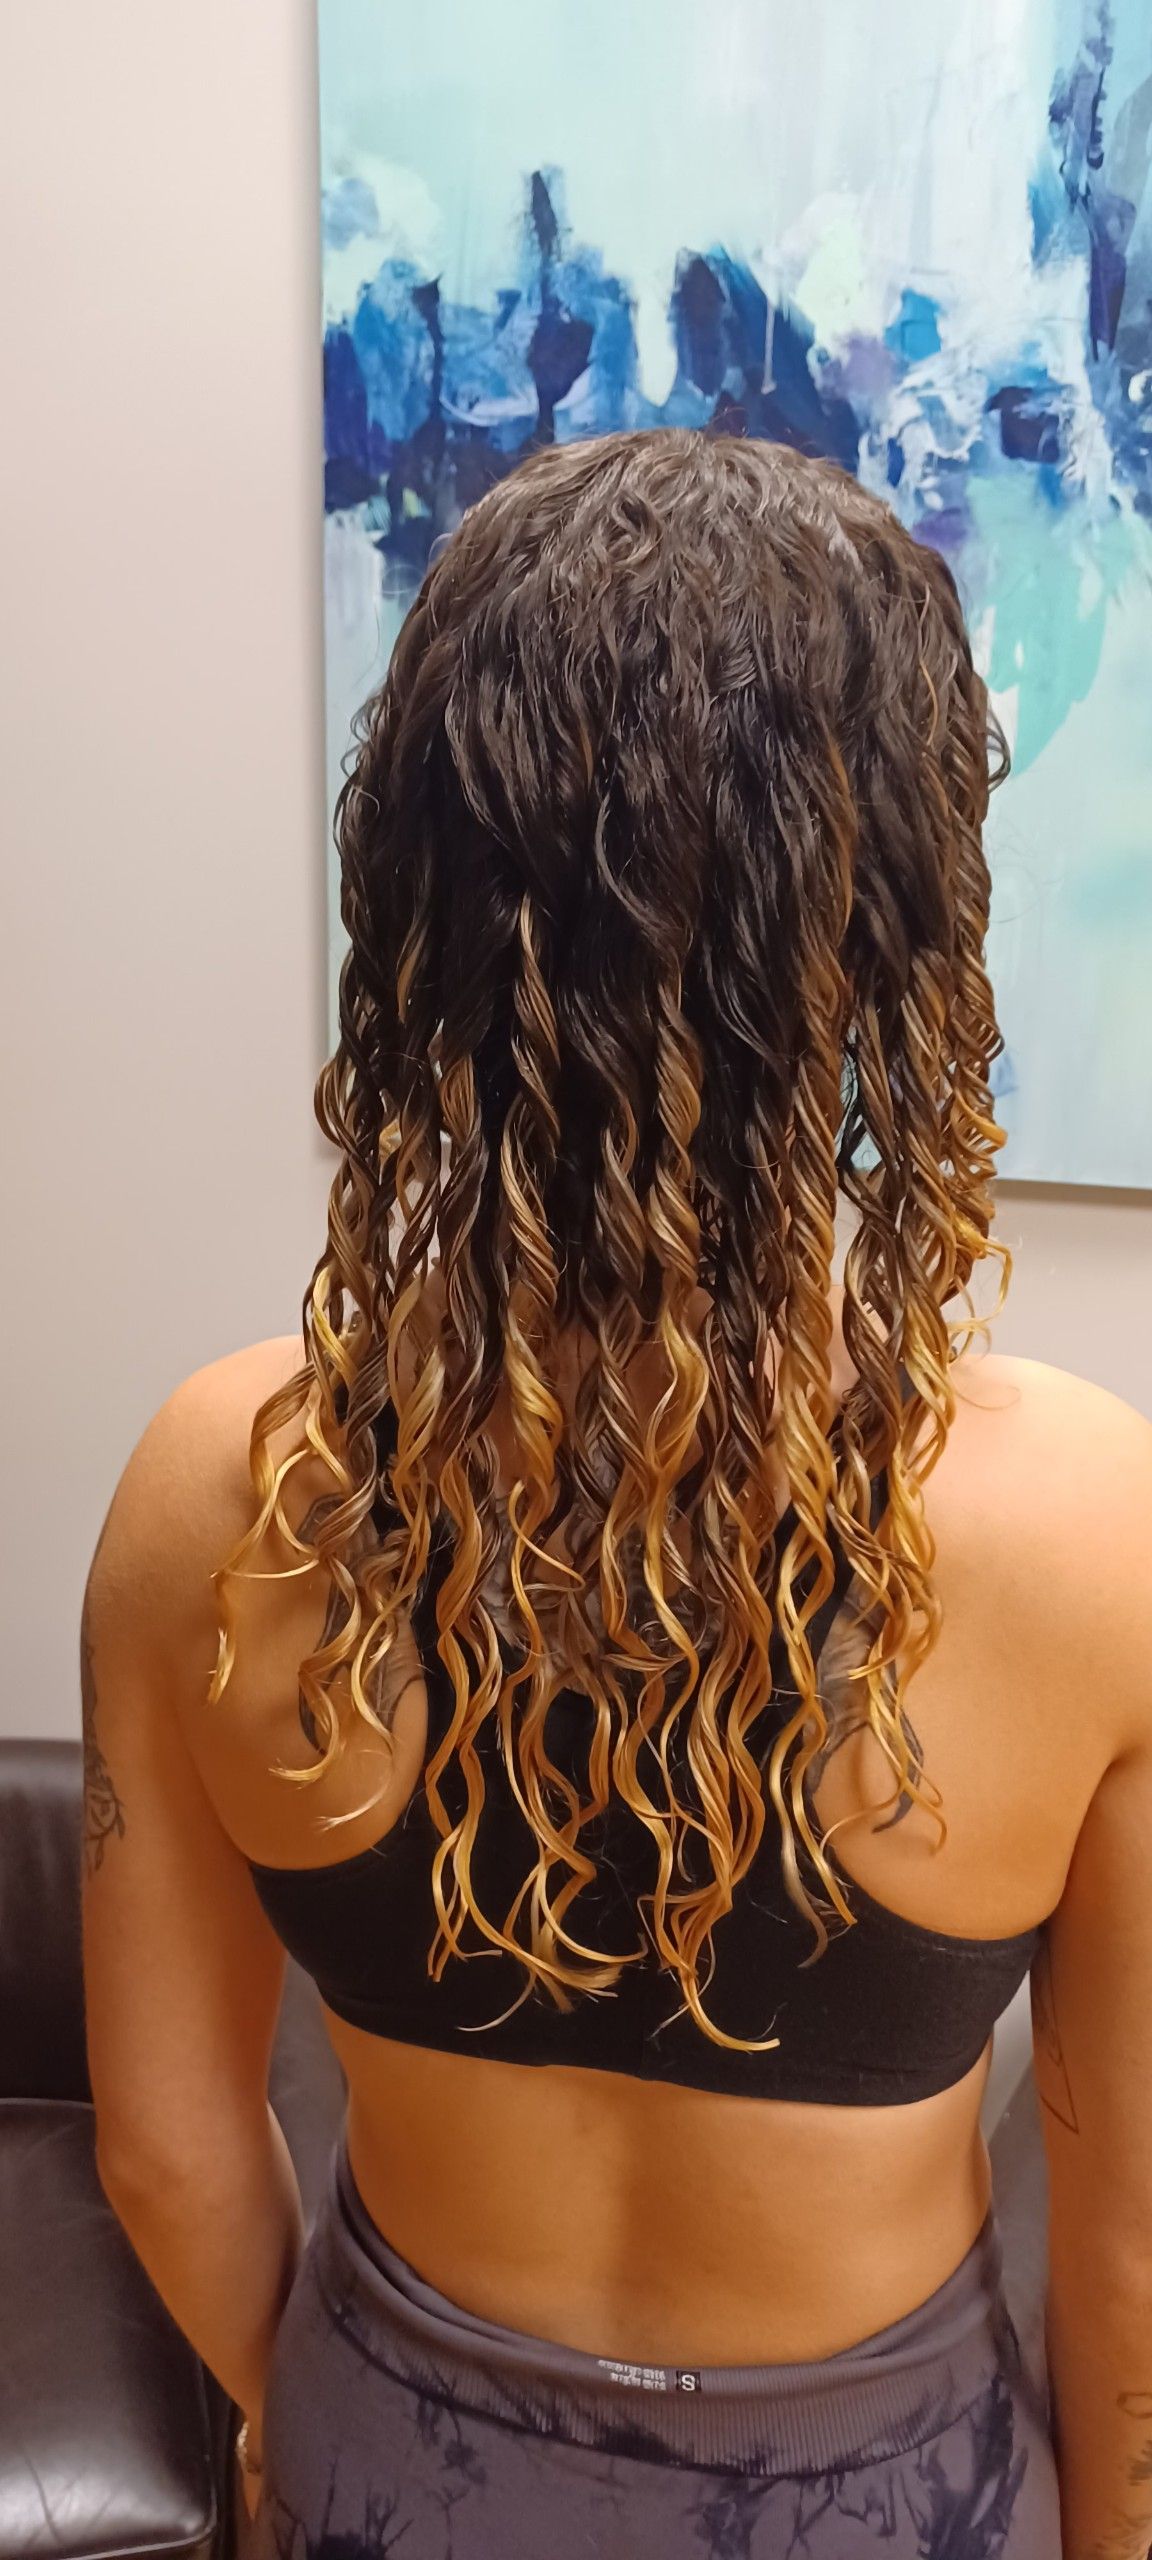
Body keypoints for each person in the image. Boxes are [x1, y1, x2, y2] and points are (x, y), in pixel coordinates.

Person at [80, 429, 1152, 2560]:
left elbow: (169, 2149)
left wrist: (300, 2429)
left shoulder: (221, 1489)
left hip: (399, 2458)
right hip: (883, 2503)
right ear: (885, 941)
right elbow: (1131, 2232)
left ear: (421, 915)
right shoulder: (1087, 1532)